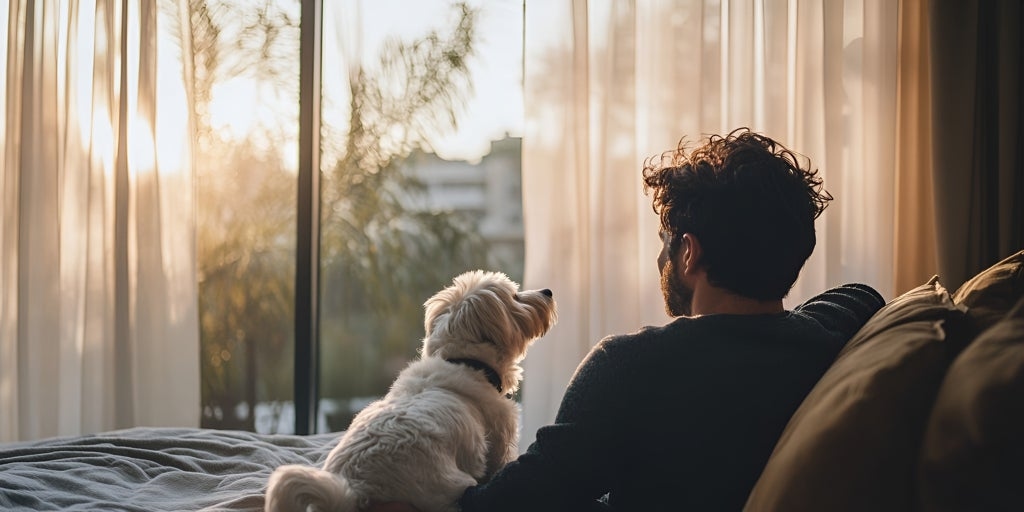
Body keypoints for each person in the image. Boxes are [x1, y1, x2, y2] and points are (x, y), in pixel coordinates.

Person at [374, 128, 885, 511]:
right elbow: (863, 294)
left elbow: (528, 496)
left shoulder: (631, 366)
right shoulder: (828, 340)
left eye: (666, 243)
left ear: (689, 253)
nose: (661, 259)